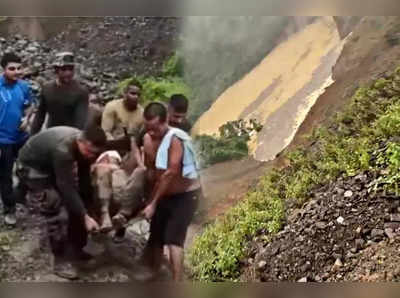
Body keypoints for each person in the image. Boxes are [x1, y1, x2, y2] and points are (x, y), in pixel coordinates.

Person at [13, 125, 106, 279]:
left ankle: (77, 247)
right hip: (31, 168)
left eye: (95, 153)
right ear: (80, 141)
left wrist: (89, 209)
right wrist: (85, 216)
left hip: (51, 166)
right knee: (55, 208)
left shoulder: (84, 149)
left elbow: (84, 181)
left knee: (79, 200)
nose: (91, 155)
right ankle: (60, 260)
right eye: (89, 151)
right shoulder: (63, 150)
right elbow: (66, 186)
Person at [134, 102, 201, 282]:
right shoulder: (147, 139)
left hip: (186, 195)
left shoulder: (175, 139)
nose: (152, 132)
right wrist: (148, 200)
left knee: (173, 239)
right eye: (148, 129)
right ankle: (154, 272)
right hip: (164, 193)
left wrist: (153, 203)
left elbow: (170, 173)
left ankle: (177, 282)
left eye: (156, 128)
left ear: (165, 122)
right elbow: (151, 171)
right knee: (156, 234)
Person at [0, 52, 34, 226]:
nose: (16, 71)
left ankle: (21, 193)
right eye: (12, 69)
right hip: (3, 140)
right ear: (3, 69)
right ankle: (9, 209)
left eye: (19, 68)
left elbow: (30, 105)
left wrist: (26, 119)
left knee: (30, 168)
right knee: (5, 175)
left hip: (21, 136)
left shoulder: (24, 86)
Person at [30, 52, 89, 135]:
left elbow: (80, 122)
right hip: (52, 133)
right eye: (64, 69)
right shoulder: (47, 89)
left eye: (71, 69)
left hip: (70, 135)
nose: (68, 73)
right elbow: (40, 115)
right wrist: (32, 136)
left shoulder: (80, 92)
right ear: (56, 70)